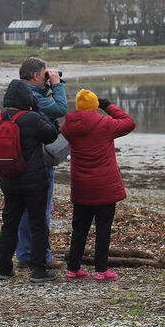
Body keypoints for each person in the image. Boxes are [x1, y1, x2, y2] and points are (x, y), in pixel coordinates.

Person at [61, 89, 137, 281]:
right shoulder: (105, 124)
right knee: (103, 228)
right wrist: (108, 106)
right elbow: (129, 123)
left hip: (81, 186)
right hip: (104, 186)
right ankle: (101, 270)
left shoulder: (68, 126)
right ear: (95, 106)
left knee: (79, 228)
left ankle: (73, 268)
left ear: (78, 106)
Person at [0, 79, 59, 282]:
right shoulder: (31, 118)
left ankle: (3, 269)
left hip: (8, 179)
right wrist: (39, 111)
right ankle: (38, 270)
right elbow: (51, 134)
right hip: (34, 182)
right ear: (26, 99)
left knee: (9, 224)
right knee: (38, 224)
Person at [15, 56, 66, 268]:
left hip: (18, 160)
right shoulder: (35, 98)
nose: (46, 78)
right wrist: (56, 85)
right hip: (39, 162)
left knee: (23, 210)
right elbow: (60, 109)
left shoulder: (16, 95)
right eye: (44, 74)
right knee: (42, 210)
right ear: (37, 75)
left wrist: (47, 86)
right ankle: (42, 257)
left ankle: (24, 254)